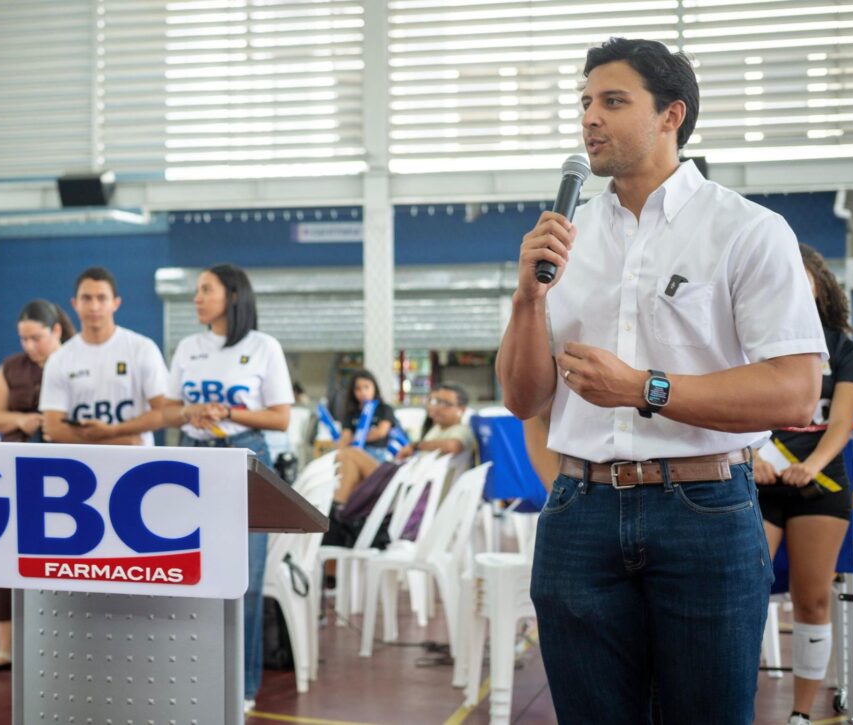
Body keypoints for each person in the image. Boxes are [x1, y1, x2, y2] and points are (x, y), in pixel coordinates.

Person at [496, 37, 825, 724]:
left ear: (672, 114)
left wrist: (645, 387)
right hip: (577, 512)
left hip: (704, 508)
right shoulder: (566, 237)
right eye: (585, 101)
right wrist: (527, 299)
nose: (590, 117)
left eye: (613, 101)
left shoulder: (747, 231)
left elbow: (795, 391)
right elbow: (522, 397)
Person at [161, 263, 294, 714]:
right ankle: (188, 672)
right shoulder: (187, 347)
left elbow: (279, 417)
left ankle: (242, 684)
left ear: (232, 296)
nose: (196, 298)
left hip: (244, 459)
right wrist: (189, 413)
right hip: (190, 459)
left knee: (246, 579)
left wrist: (227, 413)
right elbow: (170, 406)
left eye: (205, 290)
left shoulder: (263, 347)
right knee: (185, 572)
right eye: (196, 290)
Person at [753, 244, 853, 725]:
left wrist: (812, 465)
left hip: (820, 485)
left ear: (818, 282)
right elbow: (731, 408)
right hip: (757, 482)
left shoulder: (842, 346)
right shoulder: (753, 336)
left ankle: (800, 715)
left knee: (812, 597)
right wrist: (751, 457)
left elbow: (841, 424)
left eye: (801, 274)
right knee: (743, 593)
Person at [0, 299, 74, 672]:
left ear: (55, 331)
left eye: (35, 338)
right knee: (4, 559)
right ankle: (6, 646)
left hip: (65, 474)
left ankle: (63, 641)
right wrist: (20, 420)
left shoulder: (76, 362)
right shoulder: (11, 368)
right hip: (15, 471)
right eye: (22, 339)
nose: (28, 346)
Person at [40, 267, 168, 446]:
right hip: (82, 464)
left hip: (136, 463)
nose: (94, 306)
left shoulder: (142, 348)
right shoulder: (59, 359)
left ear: (116, 303)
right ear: (74, 303)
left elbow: (164, 412)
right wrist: (117, 440)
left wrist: (114, 430)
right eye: (86, 298)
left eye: (101, 298)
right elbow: (53, 428)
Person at [333, 383, 474, 504]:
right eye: (434, 401)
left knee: (350, 454)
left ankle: (338, 514)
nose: (436, 408)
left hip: (410, 491)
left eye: (445, 404)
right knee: (349, 463)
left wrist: (415, 446)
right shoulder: (437, 428)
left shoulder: (461, 430)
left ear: (461, 409)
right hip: (408, 482)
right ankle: (342, 514)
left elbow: (454, 446)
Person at [336, 369, 398, 461]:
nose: (363, 392)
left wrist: (355, 439)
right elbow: (345, 438)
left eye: (366, 387)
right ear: (353, 392)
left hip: (378, 453)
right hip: (355, 452)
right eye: (358, 389)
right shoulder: (350, 413)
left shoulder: (385, 409)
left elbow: (380, 432)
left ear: (374, 388)